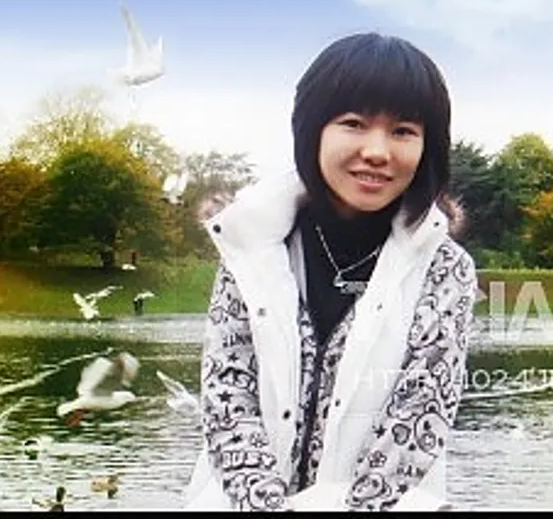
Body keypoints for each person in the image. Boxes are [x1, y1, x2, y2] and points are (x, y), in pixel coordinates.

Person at [183, 32, 480, 512]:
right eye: (354, 124)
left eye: (403, 130)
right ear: (313, 129)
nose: (378, 151)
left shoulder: (445, 268)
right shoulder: (250, 243)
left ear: (428, 146)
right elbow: (228, 396)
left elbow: (419, 416)